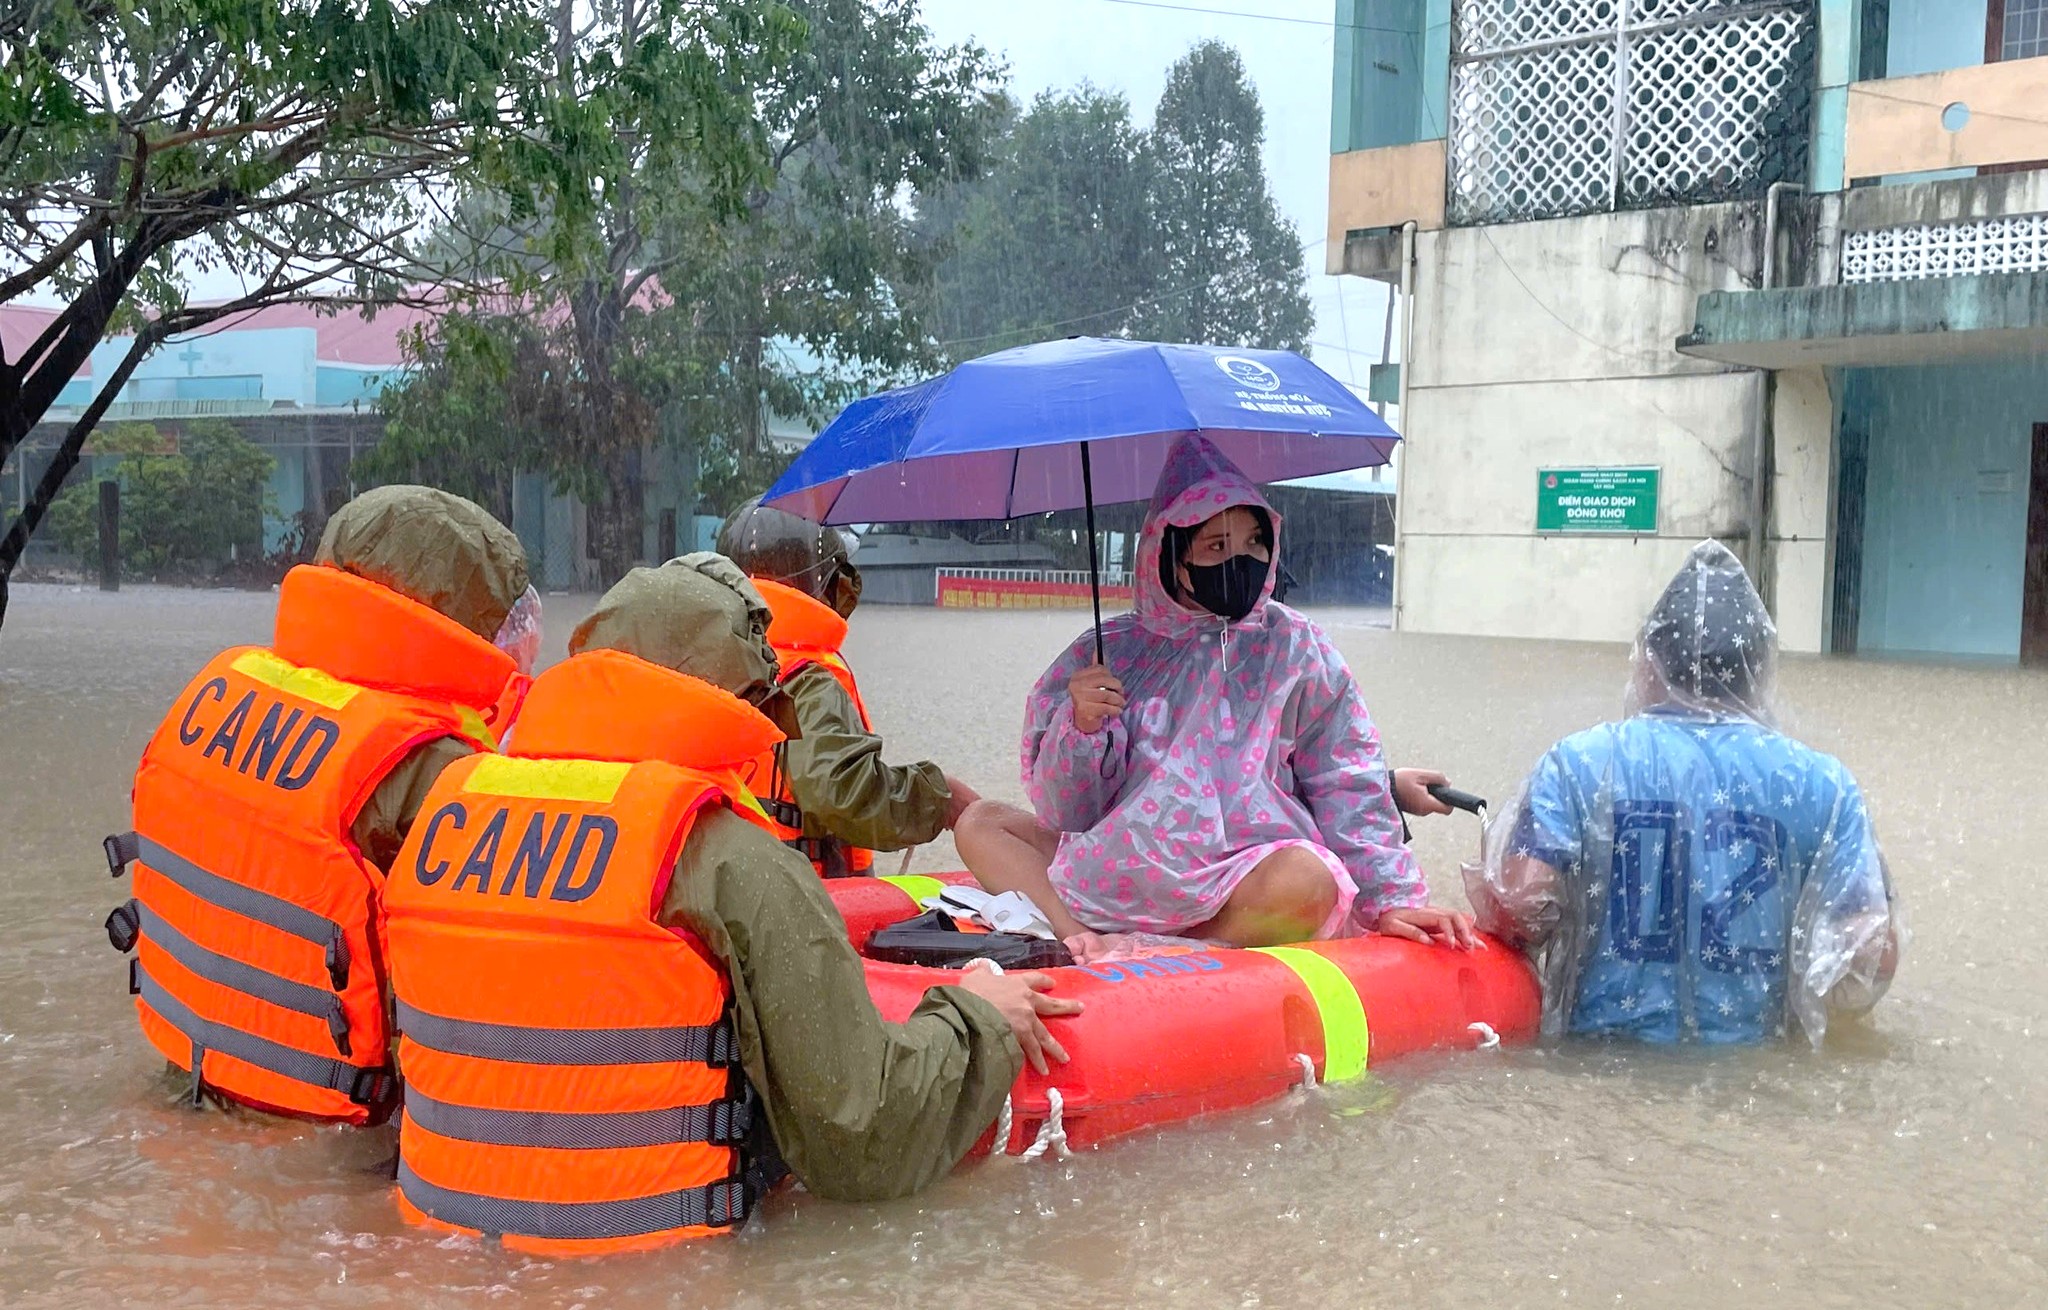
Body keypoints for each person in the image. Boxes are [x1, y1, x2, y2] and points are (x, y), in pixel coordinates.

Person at [380, 556, 1080, 1253]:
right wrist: (979, 1014)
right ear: (734, 698)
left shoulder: (444, 811)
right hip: (652, 1262)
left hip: (433, 1239)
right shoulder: (732, 860)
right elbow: (863, 1131)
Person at [955, 434, 1477, 961]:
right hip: (1110, 875)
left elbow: (1346, 777)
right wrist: (1082, 729)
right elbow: (1067, 810)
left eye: (1254, 542)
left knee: (1311, 879)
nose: (1241, 560)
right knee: (980, 822)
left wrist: (1393, 897)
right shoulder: (1107, 654)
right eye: (1216, 546)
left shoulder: (1295, 648)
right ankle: (1078, 934)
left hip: (1237, 877)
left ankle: (1167, 948)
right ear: (1172, 557)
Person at [104, 486, 536, 1123]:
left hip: (187, 1077)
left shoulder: (219, 688)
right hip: (333, 1119)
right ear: (466, 625)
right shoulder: (433, 767)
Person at [1465, 541, 1902, 1046]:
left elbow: (1519, 904)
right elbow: (1873, 952)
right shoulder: (1823, 785)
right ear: (1759, 671)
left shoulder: (1580, 762)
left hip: (1600, 1065)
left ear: (1649, 664)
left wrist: (1495, 860)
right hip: (1750, 1076)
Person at [716, 498, 978, 876]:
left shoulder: (702, 658)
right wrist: (938, 798)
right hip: (799, 895)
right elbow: (841, 795)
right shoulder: (805, 680)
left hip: (727, 885)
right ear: (818, 580)